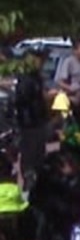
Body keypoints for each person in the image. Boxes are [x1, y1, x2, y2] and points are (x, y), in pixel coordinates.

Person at [11, 45, 52, 186]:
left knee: (39, 156)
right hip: (28, 125)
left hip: (38, 123)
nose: (43, 62)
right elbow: (22, 100)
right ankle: (28, 184)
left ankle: (36, 183)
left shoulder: (37, 78)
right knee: (29, 158)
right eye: (40, 59)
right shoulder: (26, 79)